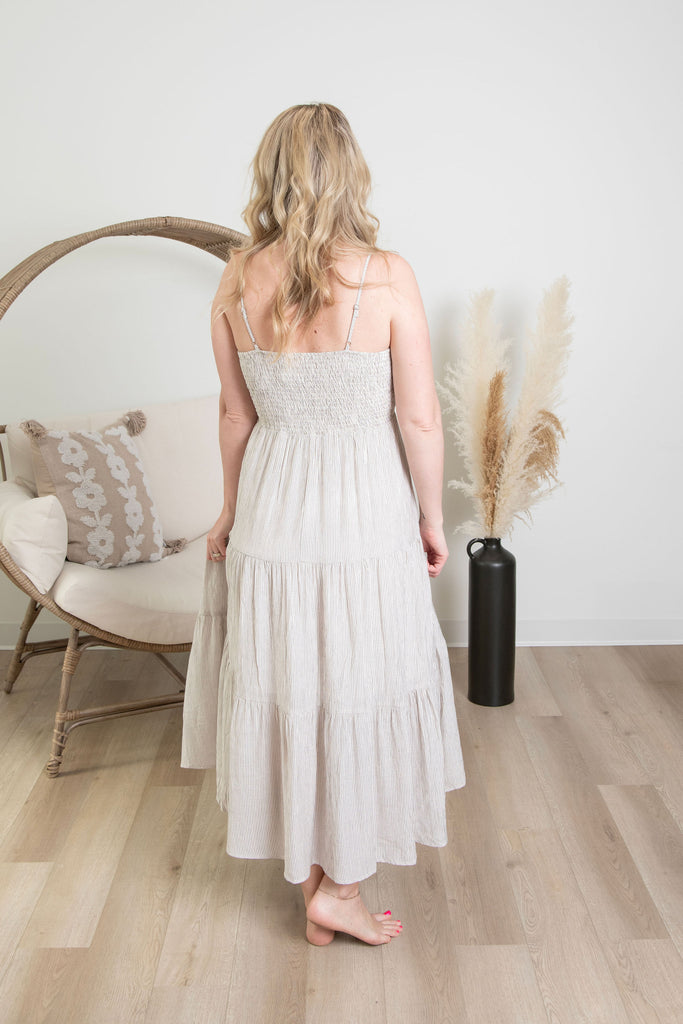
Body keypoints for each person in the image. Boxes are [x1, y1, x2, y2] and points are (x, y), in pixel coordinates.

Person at [181, 102, 466, 947]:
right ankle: (338, 888)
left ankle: (316, 880)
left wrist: (229, 509)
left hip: (272, 506)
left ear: (269, 174)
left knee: (293, 683)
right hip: (362, 509)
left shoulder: (234, 280)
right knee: (358, 683)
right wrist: (432, 518)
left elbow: (235, 416)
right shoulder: (385, 275)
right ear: (349, 173)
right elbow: (419, 419)